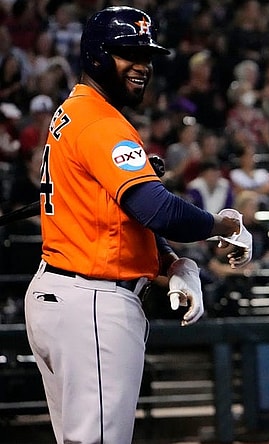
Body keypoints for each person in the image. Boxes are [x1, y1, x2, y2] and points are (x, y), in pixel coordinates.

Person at [23, 8, 253, 444]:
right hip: (91, 300)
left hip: (65, 292)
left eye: (146, 55)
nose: (141, 65)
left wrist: (168, 262)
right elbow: (156, 208)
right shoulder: (103, 123)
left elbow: (118, 216)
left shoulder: (75, 111)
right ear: (94, 56)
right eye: (127, 53)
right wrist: (218, 224)